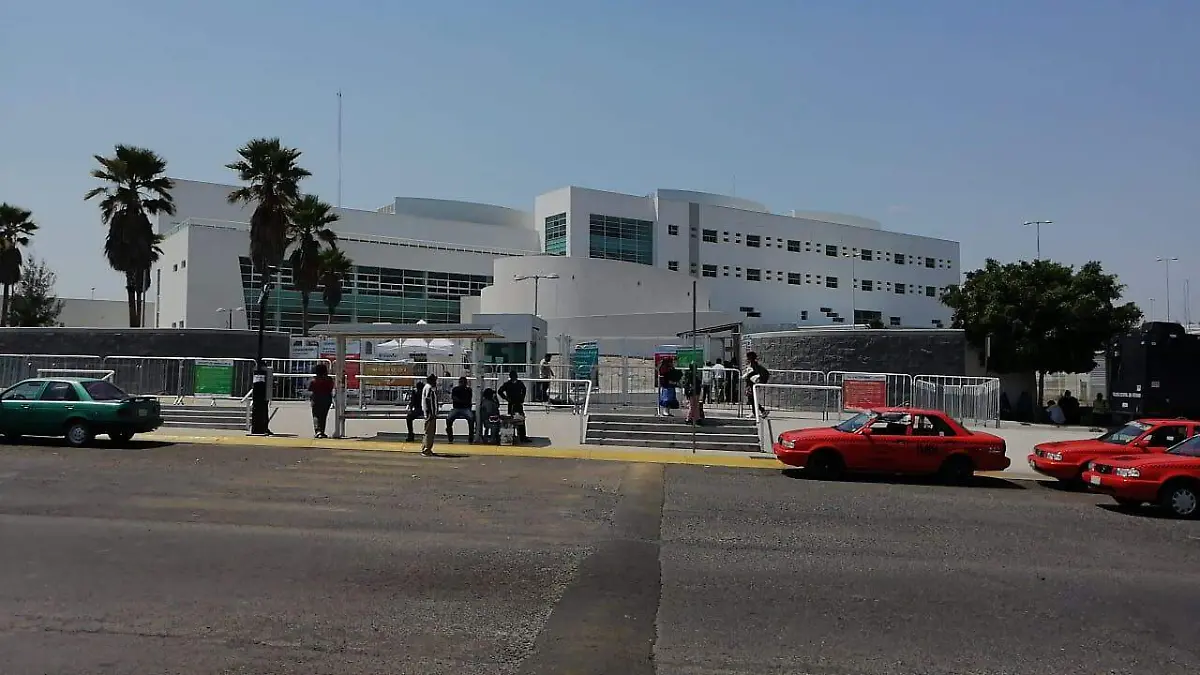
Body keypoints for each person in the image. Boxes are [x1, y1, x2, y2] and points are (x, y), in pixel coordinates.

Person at [498, 370, 529, 442]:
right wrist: (506, 398)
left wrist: (522, 398)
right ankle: (511, 435)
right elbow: (500, 391)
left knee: (521, 419)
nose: (514, 378)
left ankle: (522, 436)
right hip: (511, 404)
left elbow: (524, 390)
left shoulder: (520, 383)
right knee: (511, 420)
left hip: (518, 403)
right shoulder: (507, 384)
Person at [307, 363, 335, 438]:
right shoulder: (329, 379)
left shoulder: (314, 380)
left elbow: (309, 388)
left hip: (316, 398)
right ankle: (322, 432)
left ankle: (318, 431)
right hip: (327, 398)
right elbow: (331, 387)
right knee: (323, 416)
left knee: (316, 415)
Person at [446, 376, 474, 443]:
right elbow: (466, 400)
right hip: (458, 408)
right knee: (448, 419)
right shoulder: (456, 389)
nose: (462, 384)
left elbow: (457, 399)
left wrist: (460, 401)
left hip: (462, 408)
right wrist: (463, 401)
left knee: (471, 418)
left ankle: (471, 438)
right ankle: (450, 437)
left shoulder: (468, 390)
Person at [743, 351, 771, 418]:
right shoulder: (753, 364)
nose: (746, 358)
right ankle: (757, 412)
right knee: (751, 399)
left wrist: (747, 375)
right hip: (751, 384)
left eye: (747, 357)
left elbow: (753, 373)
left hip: (751, 384)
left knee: (752, 399)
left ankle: (760, 411)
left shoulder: (753, 364)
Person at [420, 374, 439, 456]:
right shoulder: (429, 388)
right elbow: (428, 400)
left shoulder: (427, 387)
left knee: (427, 431)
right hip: (430, 414)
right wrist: (431, 413)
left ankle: (425, 448)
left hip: (428, 413)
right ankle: (426, 449)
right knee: (429, 432)